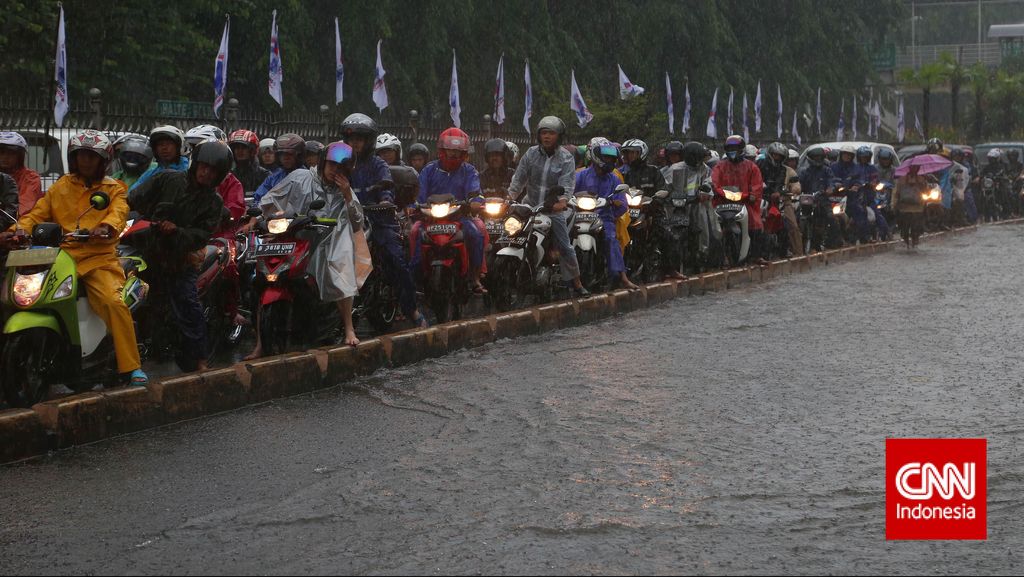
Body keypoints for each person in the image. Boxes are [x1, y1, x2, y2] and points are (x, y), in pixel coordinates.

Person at [2, 130, 147, 385]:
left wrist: (105, 228)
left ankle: (131, 366)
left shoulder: (114, 189)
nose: (86, 161)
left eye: (92, 156)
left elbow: (118, 213)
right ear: (73, 158)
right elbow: (37, 213)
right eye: (81, 156)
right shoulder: (61, 186)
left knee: (112, 303)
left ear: (103, 160)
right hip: (60, 255)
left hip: (97, 257)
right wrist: (18, 230)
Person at [128, 141, 230, 372]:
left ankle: (200, 358)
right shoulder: (167, 179)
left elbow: (203, 235)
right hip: (145, 251)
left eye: (213, 170)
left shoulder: (214, 202)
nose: (206, 173)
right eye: (204, 166)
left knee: (186, 301)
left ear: (220, 175)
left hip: (179, 259)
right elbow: (132, 199)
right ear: (195, 164)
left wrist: (177, 232)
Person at [341, 113, 426, 328]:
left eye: (359, 139)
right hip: (346, 221)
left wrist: (385, 200)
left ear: (368, 141)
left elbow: (386, 185)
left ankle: (411, 309)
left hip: (377, 219)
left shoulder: (378, 164)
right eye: (351, 140)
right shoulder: (342, 163)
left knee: (396, 260)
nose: (355, 143)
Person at [508, 116, 590, 297]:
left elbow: (567, 184)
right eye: (544, 133)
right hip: (530, 206)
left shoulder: (566, 158)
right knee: (509, 234)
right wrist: (509, 197)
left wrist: (561, 202)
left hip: (553, 208)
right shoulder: (530, 154)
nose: (547, 137)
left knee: (565, 246)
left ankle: (576, 282)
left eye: (551, 133)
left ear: (559, 136)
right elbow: (519, 179)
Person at [415, 127, 488, 293]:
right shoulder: (429, 170)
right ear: (442, 150)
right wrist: (413, 206)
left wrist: (475, 202)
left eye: (457, 151)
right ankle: (416, 277)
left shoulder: (469, 171)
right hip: (430, 218)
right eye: (450, 151)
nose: (453, 155)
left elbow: (476, 192)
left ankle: (475, 277)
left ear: (463, 153)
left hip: (460, 218)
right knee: (413, 233)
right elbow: (419, 195)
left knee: (476, 234)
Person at [576, 138, 637, 290]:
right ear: (596, 156)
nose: (609, 160)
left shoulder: (614, 179)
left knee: (611, 239)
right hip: (579, 217)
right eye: (606, 157)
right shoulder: (580, 175)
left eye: (612, 158)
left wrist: (614, 204)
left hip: (604, 219)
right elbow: (567, 191)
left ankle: (622, 276)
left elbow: (622, 204)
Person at [620, 138, 685, 279]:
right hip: (630, 212)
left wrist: (658, 198)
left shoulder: (653, 171)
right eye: (628, 153)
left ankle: (670, 269)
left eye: (633, 153)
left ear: (641, 153)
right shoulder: (625, 173)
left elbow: (664, 189)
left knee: (667, 235)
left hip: (652, 212)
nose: (630, 156)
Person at [712, 134, 766, 265]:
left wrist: (752, 194)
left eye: (735, 148)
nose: (732, 151)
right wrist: (719, 192)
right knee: (713, 227)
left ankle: (756, 255)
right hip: (723, 202)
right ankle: (717, 256)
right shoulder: (720, 166)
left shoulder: (752, 167)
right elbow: (714, 183)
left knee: (756, 224)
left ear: (741, 149)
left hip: (745, 202)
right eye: (729, 148)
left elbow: (757, 185)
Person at [757, 142, 803, 257]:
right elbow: (755, 178)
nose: (777, 158)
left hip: (779, 200)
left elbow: (781, 183)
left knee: (789, 224)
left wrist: (778, 192)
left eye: (780, 156)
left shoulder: (784, 170)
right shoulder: (759, 164)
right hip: (758, 199)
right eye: (775, 155)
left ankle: (793, 251)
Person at [798, 147, 836, 252]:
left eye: (819, 157)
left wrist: (829, 189)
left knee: (831, 217)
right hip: (807, 200)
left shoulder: (826, 170)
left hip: (822, 200)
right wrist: (795, 190)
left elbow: (831, 181)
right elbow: (799, 184)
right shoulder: (805, 172)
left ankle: (831, 241)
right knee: (797, 216)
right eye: (815, 157)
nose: (817, 159)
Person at [130, 125, 189, 192]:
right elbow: (132, 194)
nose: (164, 148)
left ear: (178, 146)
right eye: (160, 144)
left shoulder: (188, 170)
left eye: (169, 143)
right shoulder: (151, 173)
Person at [252, 133, 306, 204]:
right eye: (282, 154)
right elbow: (258, 198)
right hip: (273, 214)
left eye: (290, 154)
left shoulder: (308, 177)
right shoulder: (273, 178)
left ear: (299, 155)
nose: (285, 158)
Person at [0, 131, 43, 216]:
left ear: (20, 156)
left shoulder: (30, 177)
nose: (5, 157)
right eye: (1, 153)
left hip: (18, 224)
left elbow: (24, 207)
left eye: (11, 153)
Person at [376, 133, 420, 210]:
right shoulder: (372, 172)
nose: (386, 155)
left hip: (406, 212)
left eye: (389, 151)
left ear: (397, 152)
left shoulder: (409, 171)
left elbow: (419, 193)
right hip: (378, 211)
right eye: (382, 153)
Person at [893, 164, 932, 248]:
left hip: (907, 208)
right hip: (915, 209)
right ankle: (913, 240)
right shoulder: (921, 179)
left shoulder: (902, 179)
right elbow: (927, 193)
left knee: (907, 227)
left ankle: (908, 241)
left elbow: (896, 193)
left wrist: (894, 205)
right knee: (913, 227)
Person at [228, 129, 270, 195]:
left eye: (244, 148)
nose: (240, 151)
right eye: (237, 148)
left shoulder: (264, 175)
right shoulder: (229, 175)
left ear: (252, 151)